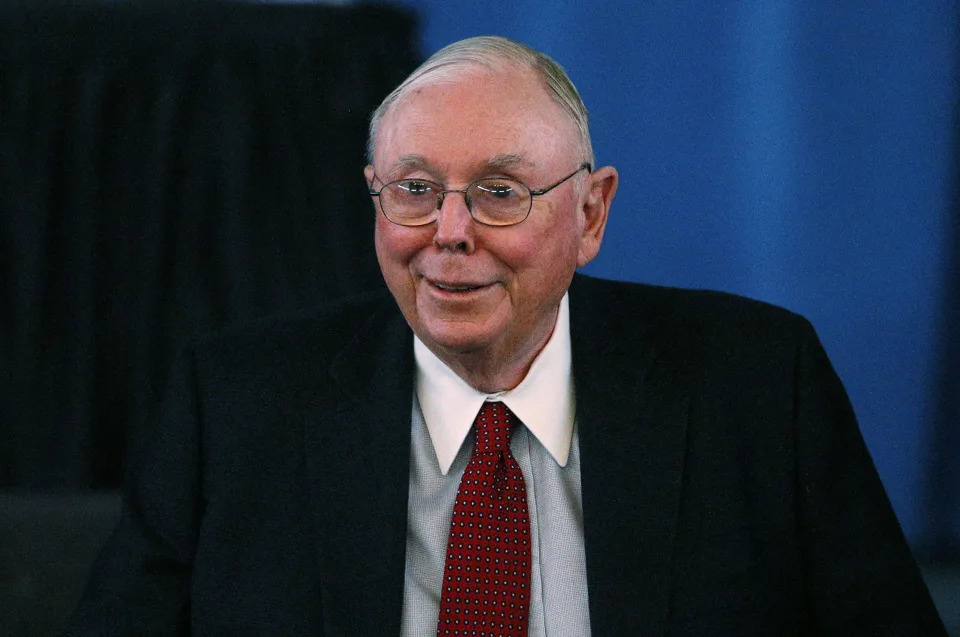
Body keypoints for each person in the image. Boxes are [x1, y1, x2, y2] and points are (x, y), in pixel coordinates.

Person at [66, 36, 945, 636]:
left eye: (498, 191)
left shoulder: (757, 386)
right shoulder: (235, 402)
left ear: (591, 212)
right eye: (414, 189)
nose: (448, 231)